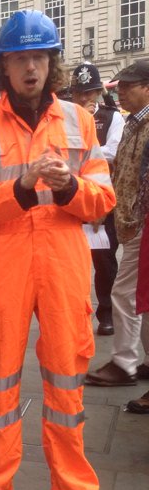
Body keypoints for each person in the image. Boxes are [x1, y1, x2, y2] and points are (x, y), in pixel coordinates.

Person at [0, 10, 124, 490]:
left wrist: (68, 187)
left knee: (67, 375)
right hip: (2, 265)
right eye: (20, 58)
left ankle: (74, 487)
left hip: (64, 263)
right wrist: (22, 189)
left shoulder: (79, 121)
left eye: (39, 57)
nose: (31, 67)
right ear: (3, 67)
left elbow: (102, 200)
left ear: (53, 63)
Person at [85, 60, 149, 389]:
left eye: (129, 86)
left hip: (143, 226)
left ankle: (124, 362)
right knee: (139, 294)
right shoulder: (132, 124)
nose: (121, 92)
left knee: (124, 294)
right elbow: (122, 173)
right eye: (119, 86)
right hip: (130, 222)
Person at [71, 62, 124, 337]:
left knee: (104, 261)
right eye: (79, 93)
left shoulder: (111, 117)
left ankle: (106, 313)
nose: (84, 99)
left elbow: (113, 151)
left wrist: (84, 154)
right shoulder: (65, 118)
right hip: (70, 199)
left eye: (89, 92)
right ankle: (75, 314)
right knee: (70, 261)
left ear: (97, 91)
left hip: (101, 200)